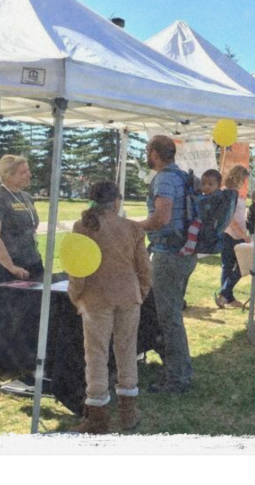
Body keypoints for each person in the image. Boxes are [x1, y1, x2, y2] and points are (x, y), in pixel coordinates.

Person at [68, 181, 152, 434]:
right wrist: (141, 292)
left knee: (96, 355)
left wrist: (76, 295)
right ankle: (128, 413)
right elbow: (145, 268)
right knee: (127, 352)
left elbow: (77, 269)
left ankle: (97, 416)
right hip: (128, 296)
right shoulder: (133, 228)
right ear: (116, 201)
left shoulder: (83, 227)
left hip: (96, 298)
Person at [139, 135, 195, 394]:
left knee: (169, 317)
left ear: (154, 154)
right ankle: (180, 368)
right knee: (171, 314)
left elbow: (162, 217)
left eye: (148, 151)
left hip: (169, 253)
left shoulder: (163, 179)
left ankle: (178, 377)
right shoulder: (182, 176)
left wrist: (132, 227)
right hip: (184, 252)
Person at [0, 155, 43, 288]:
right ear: (8, 176)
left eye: (28, 170)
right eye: (23, 172)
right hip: (2, 267)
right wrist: (11, 267)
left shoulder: (26, 197)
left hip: (31, 262)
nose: (29, 175)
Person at [216, 165, 249, 309]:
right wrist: (244, 235)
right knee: (232, 265)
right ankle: (226, 296)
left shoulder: (235, 193)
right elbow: (230, 218)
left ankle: (225, 294)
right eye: (244, 179)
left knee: (240, 265)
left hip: (238, 234)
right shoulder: (227, 193)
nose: (245, 182)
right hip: (229, 234)